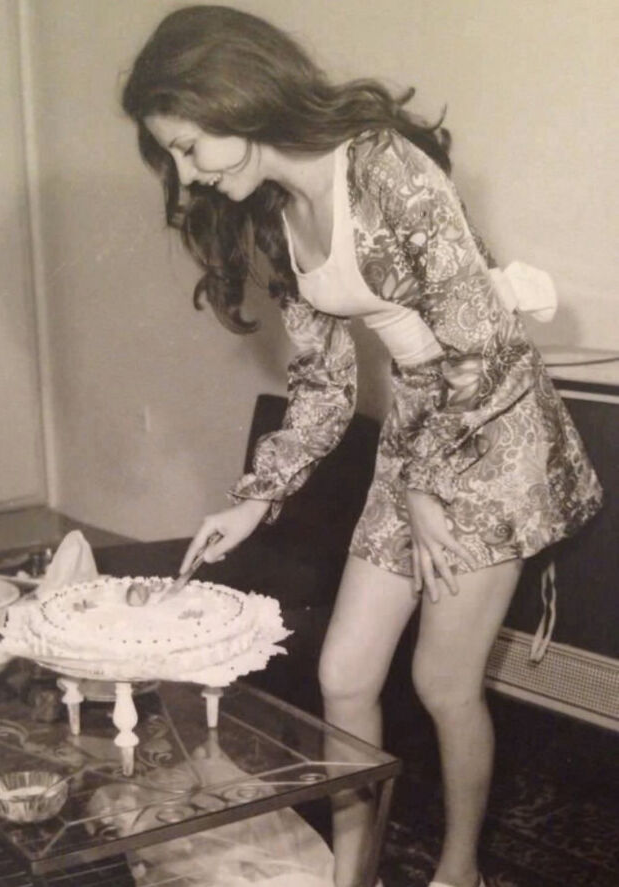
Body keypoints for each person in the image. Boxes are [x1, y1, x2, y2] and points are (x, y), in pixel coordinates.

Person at [121, 6, 603, 887]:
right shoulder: (275, 211)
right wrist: (256, 497)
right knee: (345, 673)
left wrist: (423, 487)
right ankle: (359, 873)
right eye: (174, 156)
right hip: (422, 433)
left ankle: (460, 871)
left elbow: (483, 344)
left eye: (191, 146)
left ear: (239, 98)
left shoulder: (385, 167)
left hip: (492, 429)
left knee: (442, 682)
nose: (187, 175)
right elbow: (326, 383)